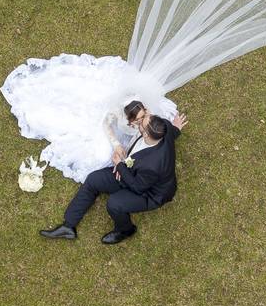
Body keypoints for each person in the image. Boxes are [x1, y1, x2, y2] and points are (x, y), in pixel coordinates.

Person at [40, 100, 187, 244]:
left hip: (150, 193)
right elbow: (171, 133)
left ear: (147, 135)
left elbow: (137, 187)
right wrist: (176, 128)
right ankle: (68, 226)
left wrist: (120, 166)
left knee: (114, 203)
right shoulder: (163, 127)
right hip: (134, 173)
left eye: (142, 122)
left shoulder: (153, 165)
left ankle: (126, 229)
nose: (139, 121)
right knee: (93, 179)